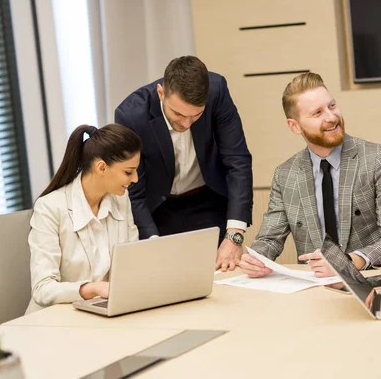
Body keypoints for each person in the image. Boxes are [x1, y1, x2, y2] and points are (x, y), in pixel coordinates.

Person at [239, 73, 381, 278]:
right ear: (294, 126)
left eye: (332, 106)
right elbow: (269, 239)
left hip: (376, 278)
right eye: (317, 113)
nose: (331, 117)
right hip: (317, 286)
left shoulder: (377, 159)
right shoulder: (285, 175)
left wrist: (347, 262)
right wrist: (257, 258)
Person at [115, 56, 253, 272]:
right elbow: (135, 192)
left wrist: (234, 236)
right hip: (159, 210)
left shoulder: (217, 91)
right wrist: (152, 242)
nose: (186, 123)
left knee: (224, 283)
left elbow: (237, 161)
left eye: (196, 115)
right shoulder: (131, 116)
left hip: (207, 201)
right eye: (178, 114)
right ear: (161, 93)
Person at [26, 124, 142, 313]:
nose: (135, 178)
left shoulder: (121, 199)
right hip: (55, 320)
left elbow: (132, 264)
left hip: (106, 313)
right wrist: (91, 289)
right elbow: (42, 289)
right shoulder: (49, 208)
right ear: (101, 167)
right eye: (128, 172)